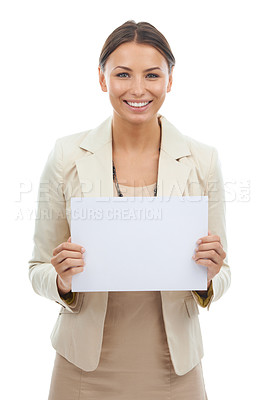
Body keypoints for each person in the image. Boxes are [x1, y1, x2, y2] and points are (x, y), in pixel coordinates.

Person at [28, 20, 230, 400]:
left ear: (170, 80)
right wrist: (61, 281)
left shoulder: (202, 160)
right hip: (83, 366)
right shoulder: (66, 157)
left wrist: (208, 279)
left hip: (175, 366)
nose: (138, 89)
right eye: (123, 74)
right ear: (103, 79)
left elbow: (223, 271)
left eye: (152, 75)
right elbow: (37, 267)